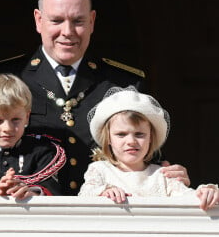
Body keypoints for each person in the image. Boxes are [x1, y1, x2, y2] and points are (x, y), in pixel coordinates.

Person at [0, 0, 189, 195]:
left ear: (93, 21)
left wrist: (166, 175)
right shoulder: (6, 79)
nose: (68, 32)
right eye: (57, 20)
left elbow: (145, 159)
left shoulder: (123, 83)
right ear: (38, 20)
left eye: (78, 21)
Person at [78, 86, 219, 211]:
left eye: (139, 134)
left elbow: (188, 198)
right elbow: (84, 195)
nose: (131, 141)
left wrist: (207, 192)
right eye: (121, 134)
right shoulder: (99, 170)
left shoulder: (163, 175)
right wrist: (104, 191)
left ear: (151, 137)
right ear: (108, 139)